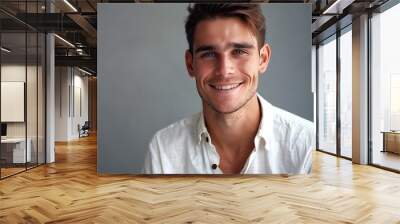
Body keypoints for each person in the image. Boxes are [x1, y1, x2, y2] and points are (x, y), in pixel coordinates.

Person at [143, 3, 315, 174]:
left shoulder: (308, 144)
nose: (224, 71)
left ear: (263, 59)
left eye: (239, 51)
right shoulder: (163, 150)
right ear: (190, 64)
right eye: (209, 54)